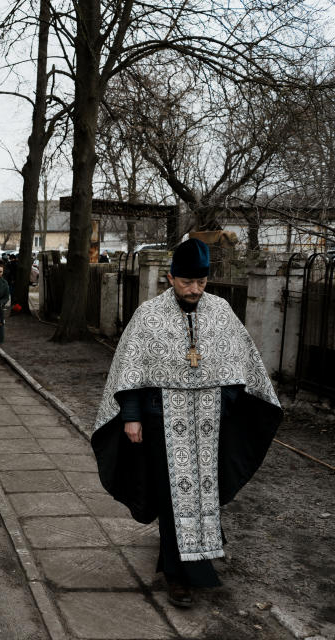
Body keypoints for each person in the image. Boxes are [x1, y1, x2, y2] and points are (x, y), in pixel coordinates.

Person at [91, 238, 282, 608]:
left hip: (210, 423)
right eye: (186, 282)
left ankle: (203, 550)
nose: (195, 289)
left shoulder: (222, 311)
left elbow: (240, 366)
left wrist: (226, 407)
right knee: (170, 494)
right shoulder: (148, 315)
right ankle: (177, 577)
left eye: (202, 282)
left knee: (205, 492)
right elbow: (131, 371)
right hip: (162, 420)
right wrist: (130, 417)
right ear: (170, 277)